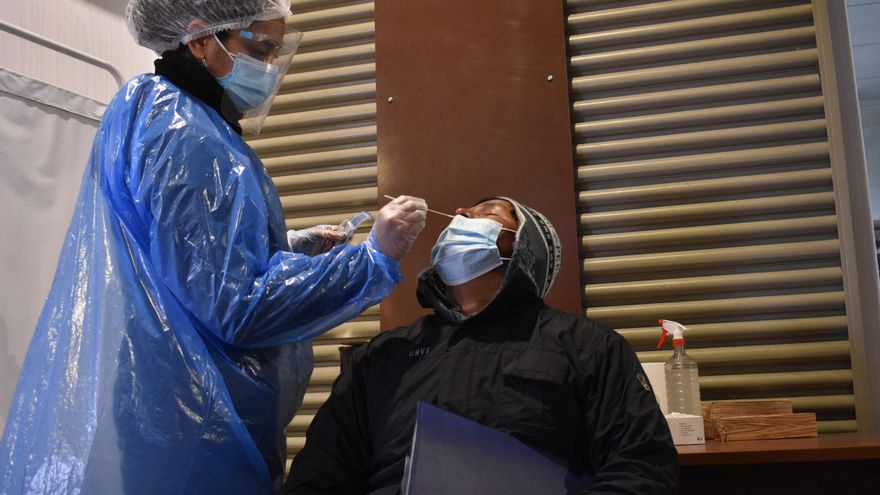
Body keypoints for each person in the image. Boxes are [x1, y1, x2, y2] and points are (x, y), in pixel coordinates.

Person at [0, 1, 427, 494]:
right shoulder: (185, 132)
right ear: (202, 38)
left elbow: (177, 259)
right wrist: (371, 258)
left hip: (166, 406)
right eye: (260, 48)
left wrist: (283, 247)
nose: (268, 69)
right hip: (193, 424)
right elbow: (237, 307)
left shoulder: (152, 107)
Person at [284, 197, 679, 494]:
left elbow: (642, 468)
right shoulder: (382, 356)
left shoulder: (587, 347)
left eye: (488, 210)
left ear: (526, 248)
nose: (462, 212)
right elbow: (320, 475)